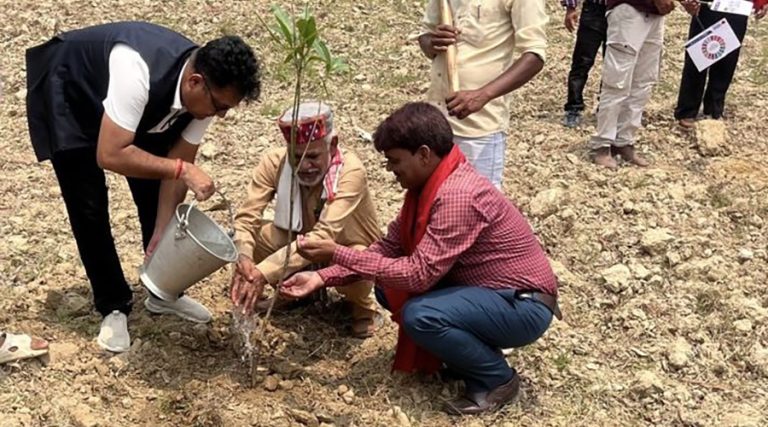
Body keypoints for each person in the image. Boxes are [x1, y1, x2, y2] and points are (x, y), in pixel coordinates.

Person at [282, 102, 561, 415]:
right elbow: (388, 247)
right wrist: (321, 276)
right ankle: (469, 355)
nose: (391, 170)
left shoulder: (457, 196)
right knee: (388, 289)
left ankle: (497, 379)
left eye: (395, 160)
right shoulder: (426, 189)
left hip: (523, 306)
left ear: (424, 154)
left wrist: (336, 251)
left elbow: (418, 275)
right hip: (494, 295)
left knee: (421, 314)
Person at [25, 22, 261, 353]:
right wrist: (182, 169)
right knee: (89, 205)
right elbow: (110, 154)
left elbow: (176, 167)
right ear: (195, 82)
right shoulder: (136, 69)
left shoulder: (206, 92)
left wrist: (161, 230)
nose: (221, 115)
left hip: (133, 110)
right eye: (220, 106)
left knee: (155, 188)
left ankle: (163, 289)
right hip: (74, 92)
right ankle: (113, 305)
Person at [230, 102, 381, 338]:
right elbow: (246, 219)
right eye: (296, 157)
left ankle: (362, 309)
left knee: (358, 258)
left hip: (340, 248)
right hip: (297, 240)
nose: (304, 166)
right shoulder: (274, 163)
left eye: (312, 156)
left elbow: (322, 238)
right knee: (258, 236)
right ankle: (292, 294)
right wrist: (245, 259)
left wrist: (263, 272)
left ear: (333, 145)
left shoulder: (350, 172)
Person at [417, 0, 548, 188]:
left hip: (479, 128)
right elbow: (425, 35)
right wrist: (432, 42)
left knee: (476, 204)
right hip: (436, 120)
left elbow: (534, 56)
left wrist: (483, 95)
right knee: (434, 200)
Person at [587, 0, 675, 168]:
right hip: (628, 9)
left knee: (643, 82)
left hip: (655, 14)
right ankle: (602, 144)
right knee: (617, 82)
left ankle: (624, 140)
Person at [675, 0, 768, 129]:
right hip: (709, 5)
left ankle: (714, 108)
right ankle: (687, 109)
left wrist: (761, 2)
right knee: (698, 55)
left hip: (738, 7)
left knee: (727, 59)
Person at [562, 0, 608, 128]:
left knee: (613, 65)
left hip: (621, 11)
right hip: (593, 9)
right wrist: (571, 7)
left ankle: (606, 107)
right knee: (582, 61)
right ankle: (573, 107)